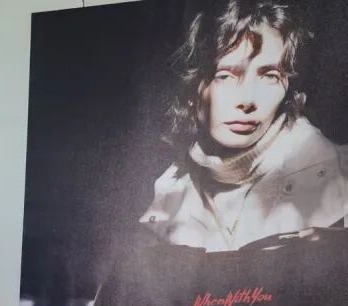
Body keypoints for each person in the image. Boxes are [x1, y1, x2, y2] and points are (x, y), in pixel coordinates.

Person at [139, 0, 347, 251]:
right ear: (190, 90)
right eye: (224, 76)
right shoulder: (169, 193)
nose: (247, 99)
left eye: (269, 76)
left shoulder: (338, 177)